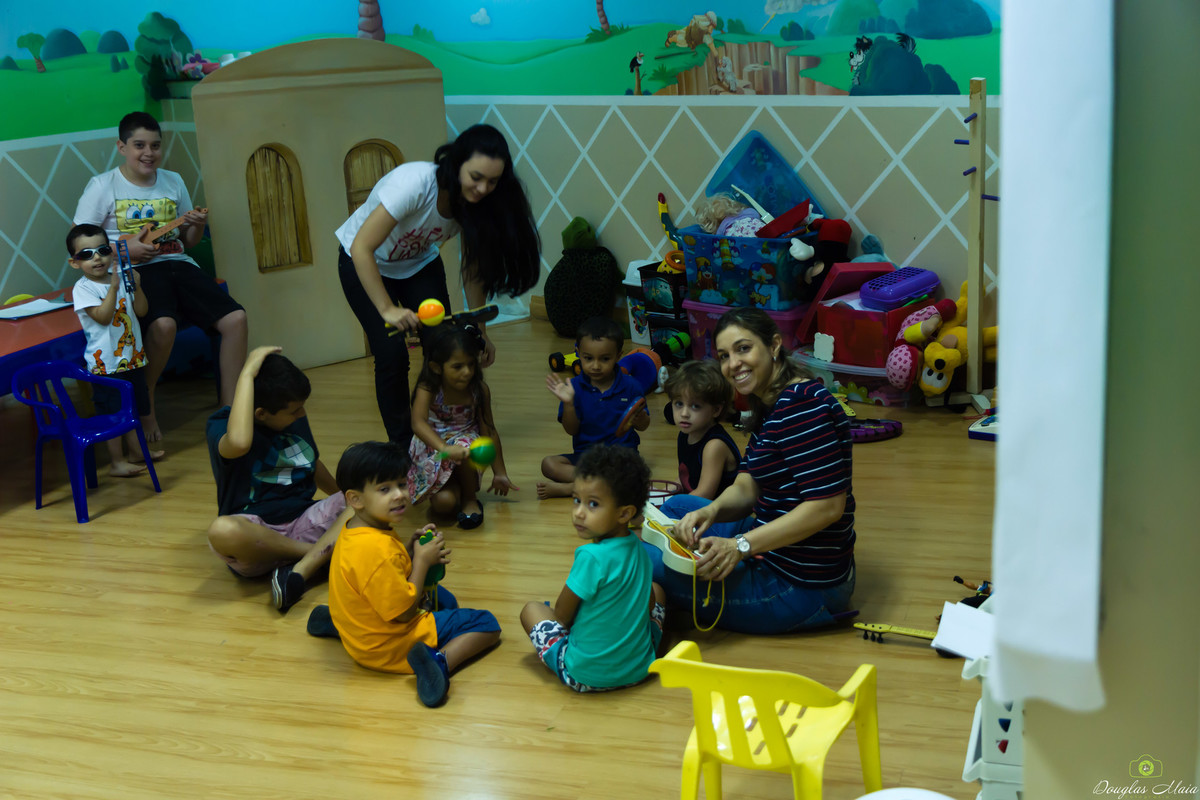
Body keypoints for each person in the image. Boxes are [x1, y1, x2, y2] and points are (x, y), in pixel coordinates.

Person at [336, 123, 541, 448]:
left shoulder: (478, 204)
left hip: (419, 265)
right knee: (392, 355)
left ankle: (440, 430)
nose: (484, 188)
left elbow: (474, 269)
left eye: (493, 181)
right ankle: (403, 446)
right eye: (476, 177)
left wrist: (480, 329)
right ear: (456, 164)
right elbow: (362, 247)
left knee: (446, 348)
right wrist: (388, 309)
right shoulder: (415, 184)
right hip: (363, 261)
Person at [654, 308, 857, 634]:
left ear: (774, 346)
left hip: (802, 586)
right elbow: (748, 486)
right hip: (782, 553)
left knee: (643, 560)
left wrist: (740, 545)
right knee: (679, 509)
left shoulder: (801, 406)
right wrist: (713, 509)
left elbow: (828, 507)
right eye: (724, 355)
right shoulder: (770, 402)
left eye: (743, 349)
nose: (732, 363)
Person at [74, 111, 248, 443]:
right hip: (135, 272)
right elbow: (81, 244)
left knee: (236, 318)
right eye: (139, 145)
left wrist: (194, 225)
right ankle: (146, 404)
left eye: (155, 145)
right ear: (121, 147)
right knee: (163, 326)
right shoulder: (102, 186)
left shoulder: (173, 180)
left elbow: (188, 243)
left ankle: (229, 412)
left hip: (179, 265)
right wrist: (127, 253)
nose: (149, 153)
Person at [329, 441, 502, 707]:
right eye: (384, 489)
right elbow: (405, 613)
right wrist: (421, 562)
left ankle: (338, 622)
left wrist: (409, 550)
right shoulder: (377, 550)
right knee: (486, 624)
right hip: (389, 646)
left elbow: (375, 575)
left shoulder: (356, 528)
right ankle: (437, 663)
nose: (399, 494)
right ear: (355, 499)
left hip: (361, 635)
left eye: (401, 484)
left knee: (446, 601)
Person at [205, 346, 349, 614]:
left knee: (363, 496)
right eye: (295, 411)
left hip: (305, 519)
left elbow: (310, 462)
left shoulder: (292, 414)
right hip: (259, 541)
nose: (301, 415)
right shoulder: (220, 425)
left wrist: (346, 498)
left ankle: (302, 566)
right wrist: (246, 372)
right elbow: (238, 442)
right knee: (221, 531)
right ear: (261, 413)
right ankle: (316, 555)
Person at [520, 446, 665, 692]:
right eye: (577, 500)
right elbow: (650, 604)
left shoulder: (590, 556)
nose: (579, 513)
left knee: (531, 610)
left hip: (584, 676)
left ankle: (571, 665)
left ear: (625, 513)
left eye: (593, 504)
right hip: (641, 669)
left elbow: (562, 617)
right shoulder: (640, 548)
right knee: (658, 589)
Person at [66, 223, 164, 474]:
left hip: (132, 357)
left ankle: (136, 452)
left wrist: (137, 286)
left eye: (102, 250)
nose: (97, 257)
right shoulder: (84, 288)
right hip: (106, 363)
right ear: (74, 263)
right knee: (112, 414)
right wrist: (113, 288)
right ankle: (116, 462)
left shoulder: (120, 278)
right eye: (86, 254)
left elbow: (141, 311)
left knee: (132, 409)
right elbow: (103, 316)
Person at [408, 324, 517, 528]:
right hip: (435, 448)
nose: (466, 372)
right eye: (457, 367)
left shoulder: (479, 390)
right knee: (444, 504)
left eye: (471, 364)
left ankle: (469, 497)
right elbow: (417, 423)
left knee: (465, 447)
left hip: (465, 445)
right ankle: (453, 486)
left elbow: (489, 430)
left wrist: (500, 472)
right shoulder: (429, 387)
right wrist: (444, 448)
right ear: (436, 367)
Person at [538, 316, 651, 499]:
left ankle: (572, 488)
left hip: (621, 457)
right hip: (586, 457)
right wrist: (568, 403)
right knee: (548, 464)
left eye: (605, 359)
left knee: (630, 471)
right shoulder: (572, 387)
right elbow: (571, 429)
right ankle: (602, 483)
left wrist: (640, 419)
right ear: (578, 353)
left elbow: (643, 425)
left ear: (618, 355)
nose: (596, 366)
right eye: (588, 358)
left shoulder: (631, 386)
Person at [663, 359, 740, 499]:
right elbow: (685, 477)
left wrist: (670, 504)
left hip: (722, 517)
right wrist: (662, 493)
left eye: (695, 406)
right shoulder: (685, 435)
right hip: (699, 510)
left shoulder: (714, 446)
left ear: (716, 410)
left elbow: (704, 495)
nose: (684, 413)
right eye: (679, 404)